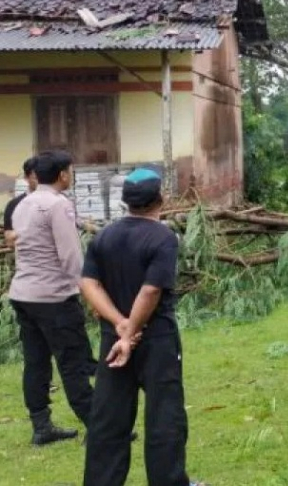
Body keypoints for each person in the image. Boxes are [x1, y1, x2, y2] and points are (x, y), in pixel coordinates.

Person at [79, 168, 205, 486]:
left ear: (125, 202)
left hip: (113, 340)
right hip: (155, 340)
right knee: (164, 416)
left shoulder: (103, 235)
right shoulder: (163, 237)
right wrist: (132, 328)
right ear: (160, 199)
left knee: (109, 418)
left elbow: (88, 283)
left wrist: (118, 325)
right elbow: (151, 290)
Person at [9, 150, 93, 445]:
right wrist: (88, 292)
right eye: (71, 171)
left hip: (23, 293)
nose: (71, 175)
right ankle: (96, 424)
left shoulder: (23, 204)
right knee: (72, 362)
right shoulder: (58, 205)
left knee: (36, 362)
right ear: (62, 175)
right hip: (53, 297)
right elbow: (70, 256)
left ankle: (41, 426)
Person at [3, 156, 38, 247]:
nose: (41, 181)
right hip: (26, 258)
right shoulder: (14, 204)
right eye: (36, 177)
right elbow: (9, 240)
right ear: (26, 177)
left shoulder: (56, 202)